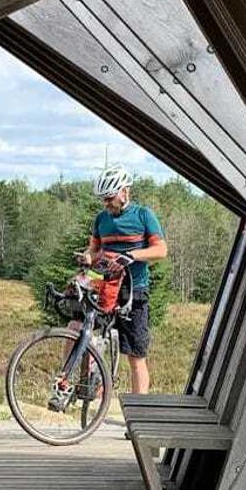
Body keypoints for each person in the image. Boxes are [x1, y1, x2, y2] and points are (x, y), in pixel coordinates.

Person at [82, 167, 167, 394]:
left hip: (134, 291)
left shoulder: (143, 215)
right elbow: (94, 250)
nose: (106, 204)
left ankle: (141, 413)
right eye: (103, 200)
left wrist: (131, 256)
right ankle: (82, 386)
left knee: (136, 356)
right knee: (80, 331)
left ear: (124, 192)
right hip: (104, 286)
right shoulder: (101, 219)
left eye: (109, 198)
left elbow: (160, 250)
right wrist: (87, 257)